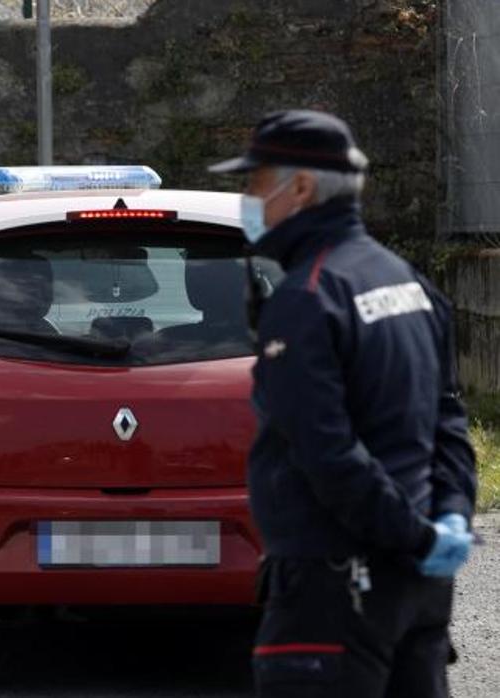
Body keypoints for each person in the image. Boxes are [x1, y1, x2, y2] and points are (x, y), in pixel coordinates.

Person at [209, 110, 478, 697]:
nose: (247, 200)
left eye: (254, 183)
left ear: (300, 188)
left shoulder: (307, 297)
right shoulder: (405, 279)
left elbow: (327, 452)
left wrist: (415, 536)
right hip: (417, 586)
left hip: (335, 586)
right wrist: (448, 516)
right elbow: (450, 422)